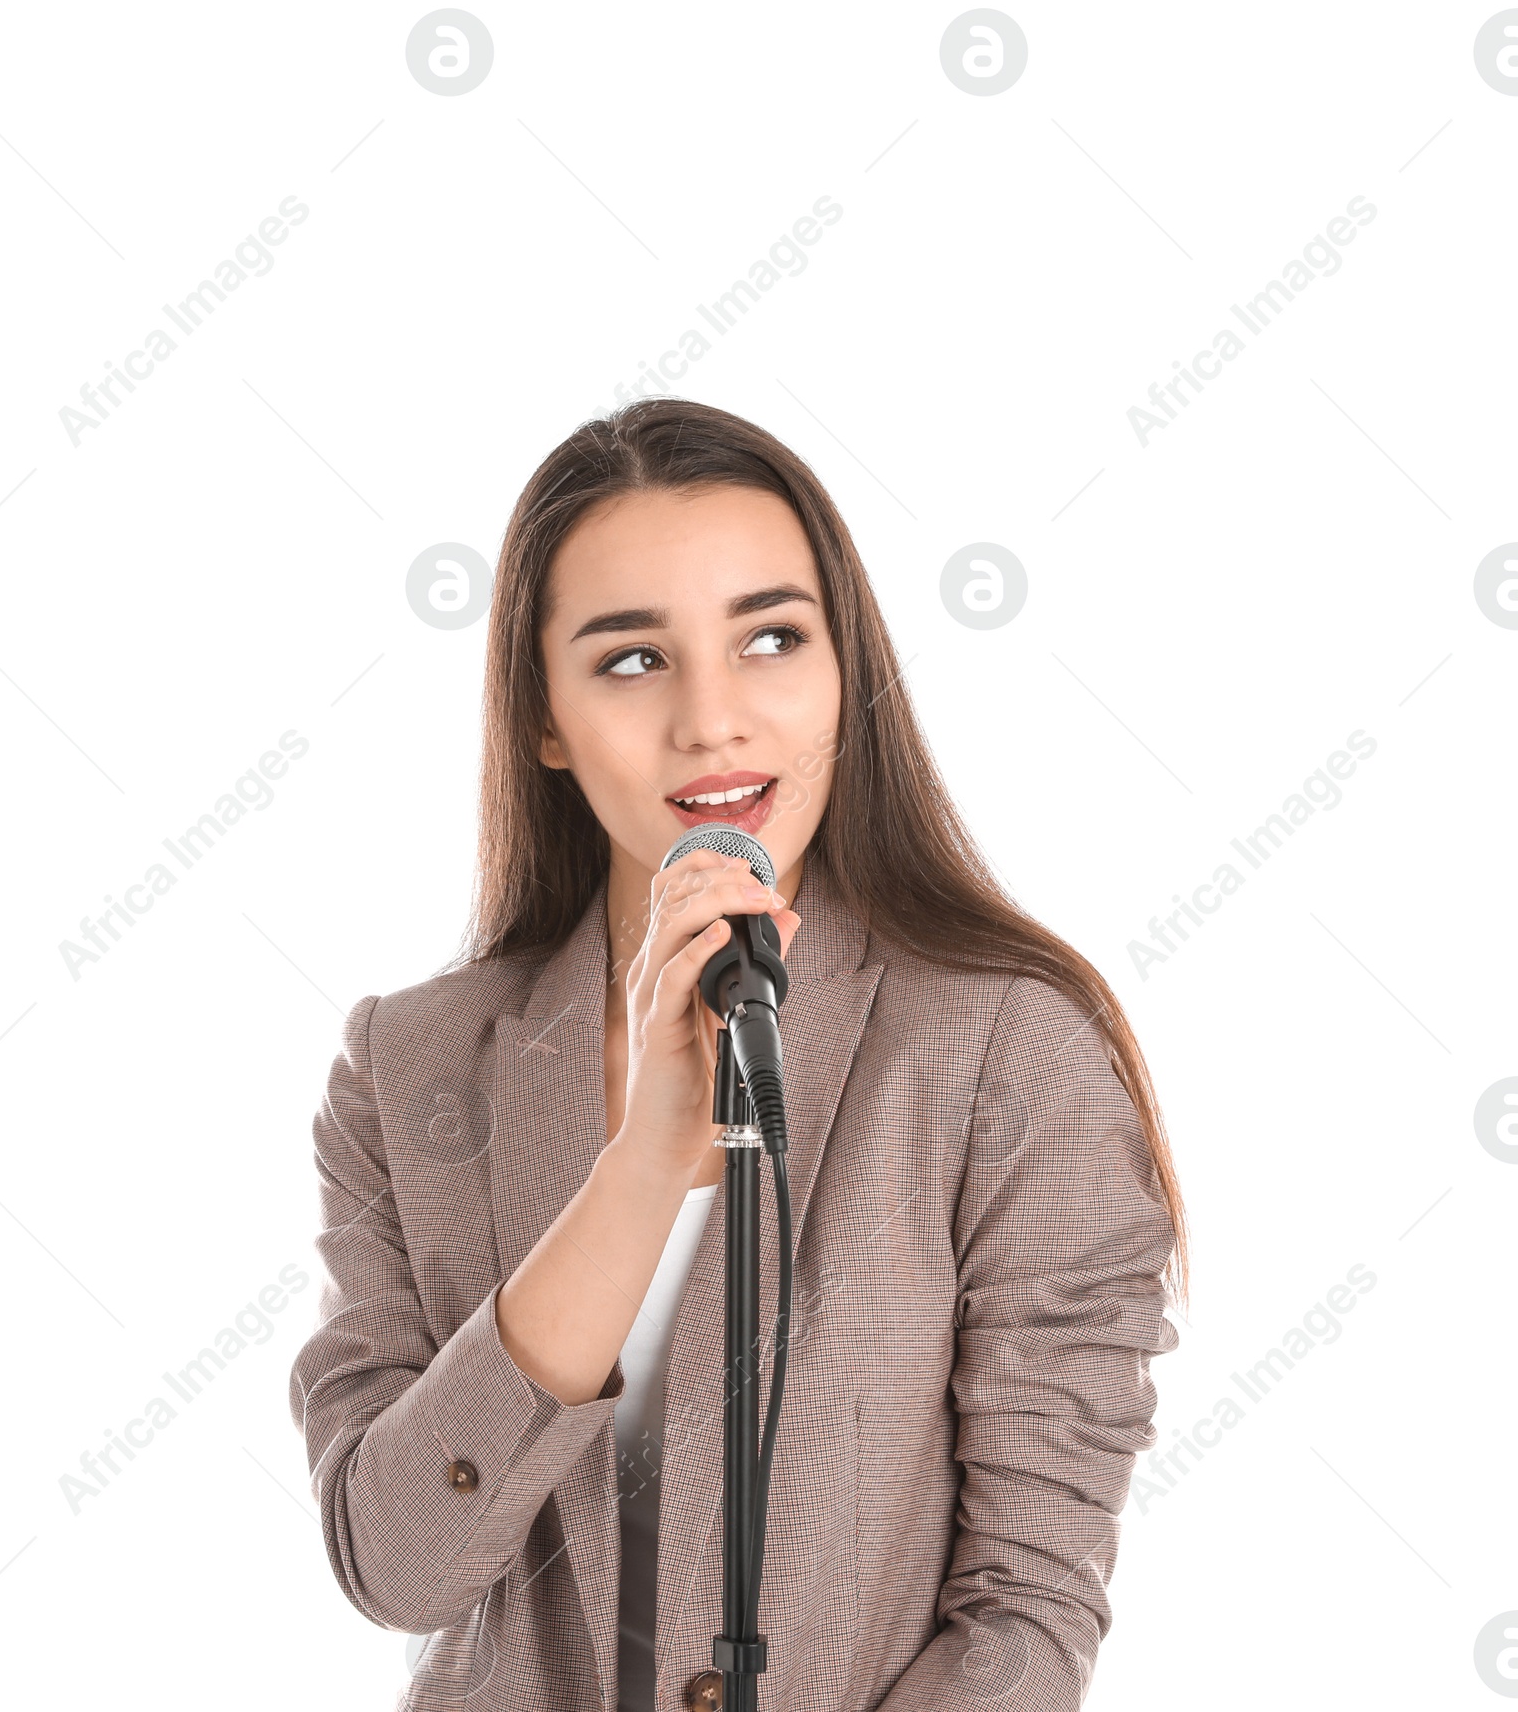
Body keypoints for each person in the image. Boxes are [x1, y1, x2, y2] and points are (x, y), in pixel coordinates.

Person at [288, 397, 1188, 1712]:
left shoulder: (1007, 1049)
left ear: (844, 672)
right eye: (632, 660)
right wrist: (649, 1155)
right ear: (545, 718)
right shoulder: (410, 1066)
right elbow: (399, 1568)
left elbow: (1027, 1611)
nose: (715, 721)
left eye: (771, 638)